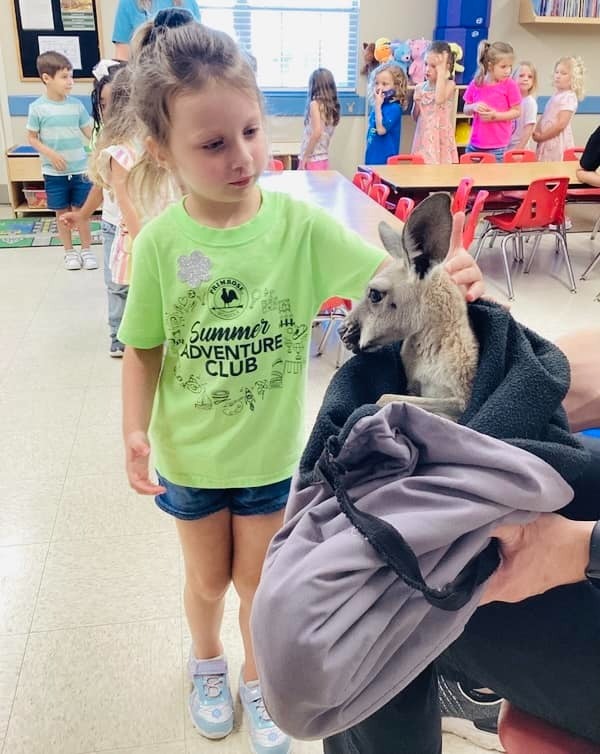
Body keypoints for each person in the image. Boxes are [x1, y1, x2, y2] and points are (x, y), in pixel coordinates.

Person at [117, 17, 483, 754]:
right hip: (188, 457)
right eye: (212, 144)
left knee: (261, 585)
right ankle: (207, 662)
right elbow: (144, 347)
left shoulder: (298, 226)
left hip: (273, 458)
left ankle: (260, 677)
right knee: (208, 583)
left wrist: (447, 276)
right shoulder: (161, 242)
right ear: (164, 151)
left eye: (250, 131)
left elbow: (392, 278)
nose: (241, 156)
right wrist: (134, 429)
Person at [62, 59, 129, 357]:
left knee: (144, 284)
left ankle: (144, 329)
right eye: (103, 103)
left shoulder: (147, 139)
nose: (109, 109)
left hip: (142, 226)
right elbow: (101, 186)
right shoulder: (105, 141)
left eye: (116, 101)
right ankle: (118, 333)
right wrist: (83, 214)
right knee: (116, 284)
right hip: (115, 226)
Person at [26, 51, 97, 272]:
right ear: (47, 78)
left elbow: (91, 132)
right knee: (62, 213)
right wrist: (51, 154)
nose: (70, 82)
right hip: (54, 173)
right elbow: (32, 138)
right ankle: (69, 252)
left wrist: (102, 148)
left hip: (80, 170)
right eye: (65, 77)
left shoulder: (76, 105)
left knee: (82, 211)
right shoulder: (37, 108)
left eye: (71, 76)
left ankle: (86, 249)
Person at [463, 41, 521, 162]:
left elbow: (516, 111)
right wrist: (474, 106)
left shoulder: (510, 85)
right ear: (490, 66)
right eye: (503, 67)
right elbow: (465, 109)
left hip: (498, 147)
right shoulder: (476, 83)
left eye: (510, 66)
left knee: (493, 180)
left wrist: (495, 116)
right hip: (474, 145)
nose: (508, 71)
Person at [411, 41, 458, 164]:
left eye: (433, 66)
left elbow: (439, 99)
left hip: (440, 137)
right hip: (424, 137)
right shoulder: (420, 87)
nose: (427, 69)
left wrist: (442, 72)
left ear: (446, 67)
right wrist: (416, 102)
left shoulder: (449, 84)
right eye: (426, 64)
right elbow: (415, 117)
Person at [534, 56, 586, 162]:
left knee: (554, 167)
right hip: (546, 140)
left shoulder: (569, 97)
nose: (558, 76)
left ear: (573, 78)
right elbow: (546, 115)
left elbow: (561, 124)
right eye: (557, 72)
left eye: (563, 73)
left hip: (557, 141)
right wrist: (537, 130)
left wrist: (543, 136)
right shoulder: (556, 95)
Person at [111, 0, 200, 59]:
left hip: (185, 77)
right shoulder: (128, 3)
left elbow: (200, 49)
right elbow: (122, 57)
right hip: (144, 77)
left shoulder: (190, 3)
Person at [364, 61, 408, 165]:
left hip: (384, 162)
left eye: (385, 84)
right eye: (377, 83)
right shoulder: (379, 105)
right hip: (372, 157)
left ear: (396, 86)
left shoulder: (394, 108)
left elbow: (381, 130)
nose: (379, 87)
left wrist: (378, 106)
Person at [298, 68, 340, 170]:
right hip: (323, 159)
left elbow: (317, 132)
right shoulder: (331, 107)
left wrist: (305, 157)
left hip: (312, 160)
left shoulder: (315, 104)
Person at [509, 61, 538, 151]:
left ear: (533, 82)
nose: (525, 79)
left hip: (519, 148)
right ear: (513, 78)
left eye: (530, 77)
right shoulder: (509, 100)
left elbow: (528, 129)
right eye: (521, 76)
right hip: (504, 146)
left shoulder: (530, 103)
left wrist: (519, 150)